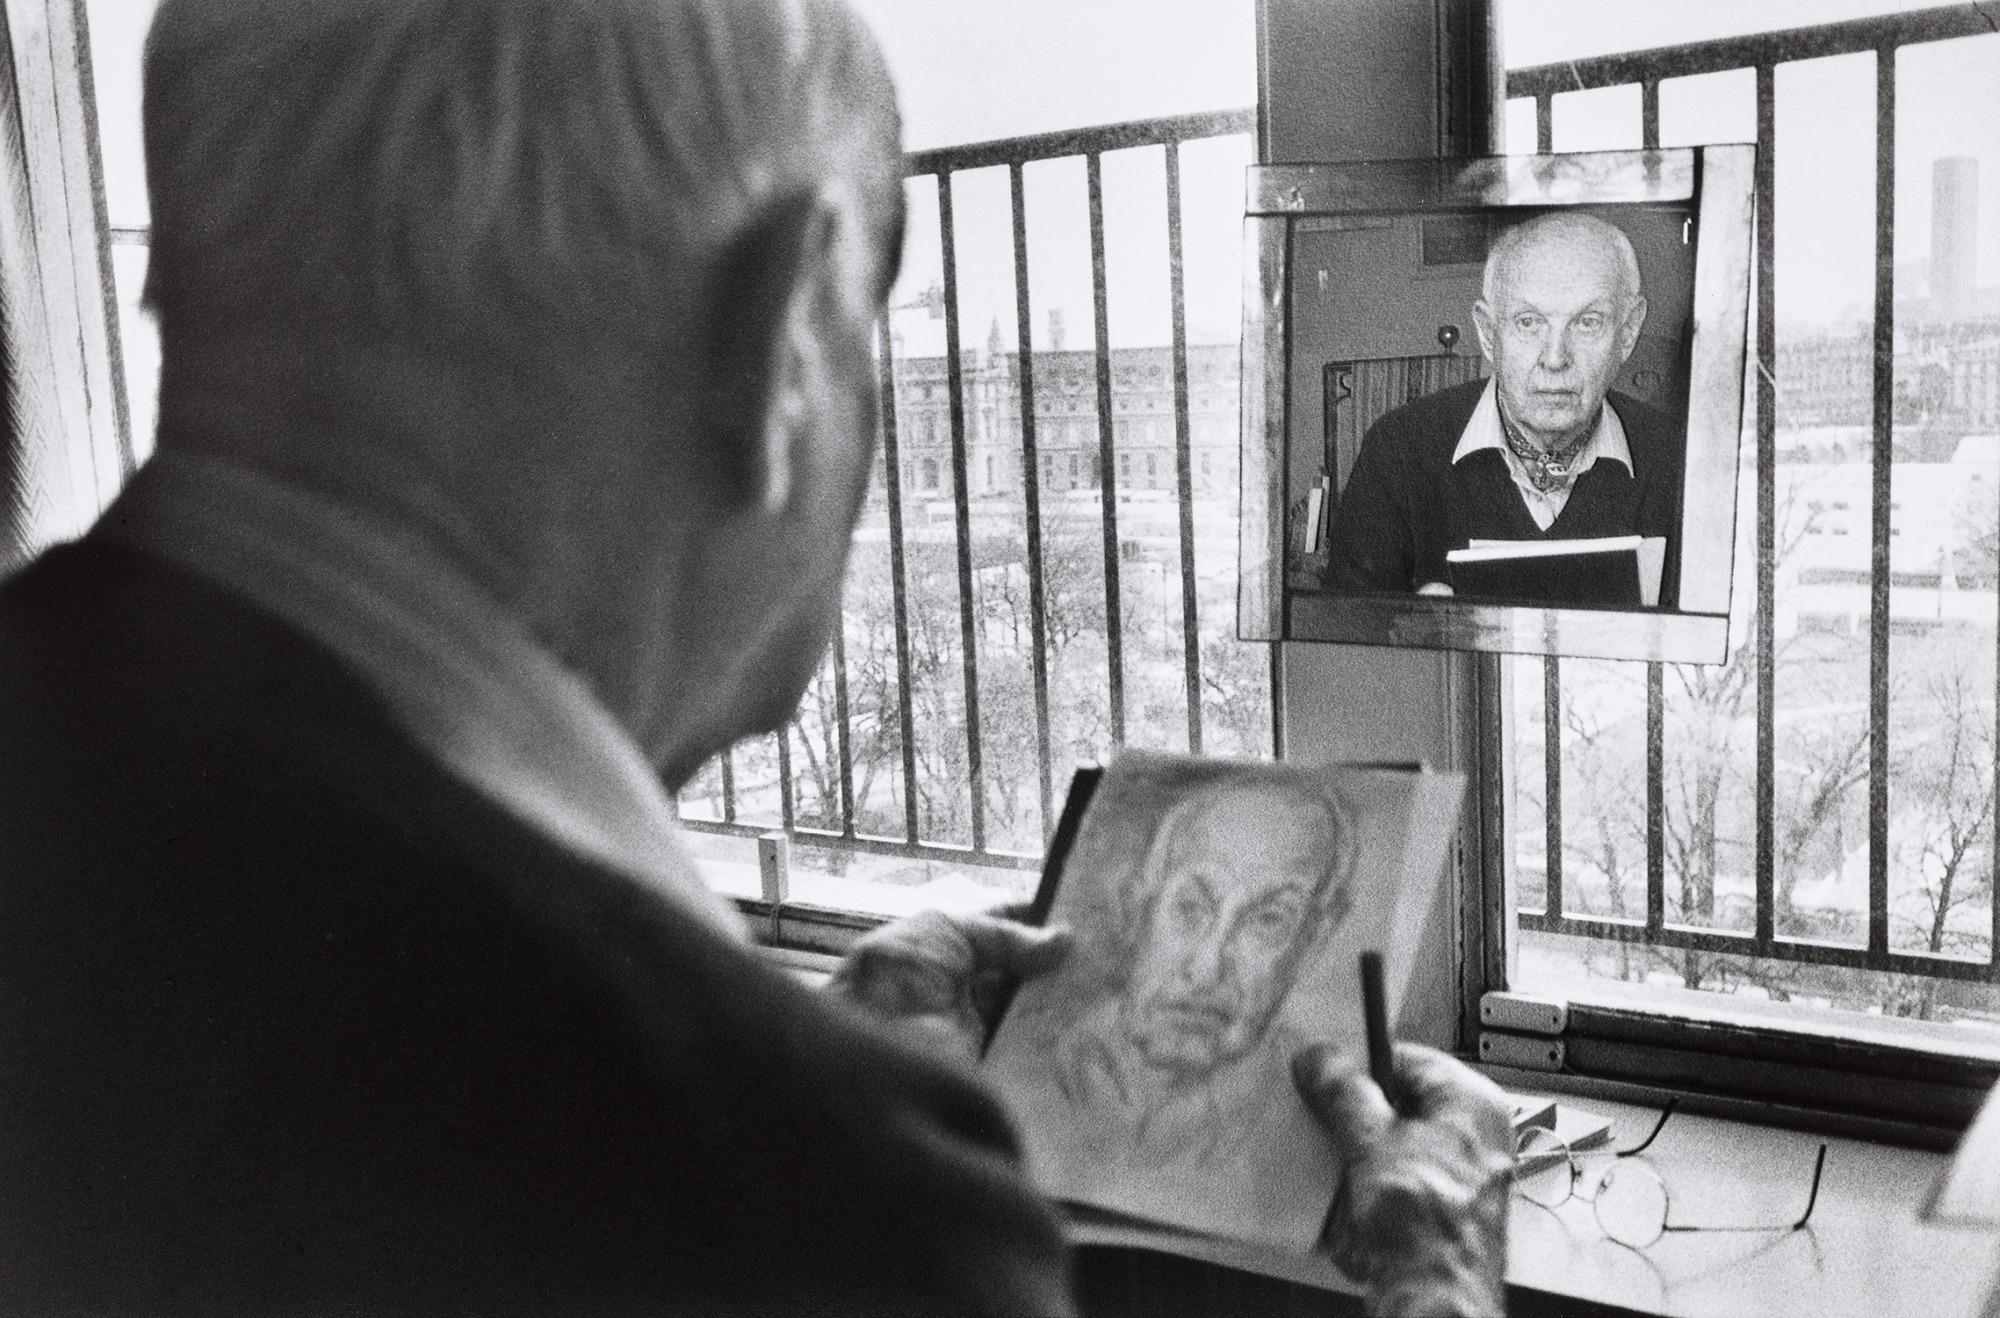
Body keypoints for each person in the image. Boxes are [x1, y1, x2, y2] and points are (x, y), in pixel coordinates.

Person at [0, 0, 1513, 1313]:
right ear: (781, 335)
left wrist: (786, 1053)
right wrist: (1433, 1278)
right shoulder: (813, 1202)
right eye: (873, 320)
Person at [1324, 211, 1684, 605]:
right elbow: (1351, 645)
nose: (1555, 358)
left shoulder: (1681, 459)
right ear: (1488, 333)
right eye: (1529, 323)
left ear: (1628, 332)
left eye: (1587, 322)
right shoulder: (1398, 448)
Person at [1054, 781, 1350, 1169]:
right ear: (1135, 907)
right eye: (1189, 907)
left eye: (1268, 920)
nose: (1208, 970)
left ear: (1311, 945)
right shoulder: (1046, 1060)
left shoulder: (1319, 1114)